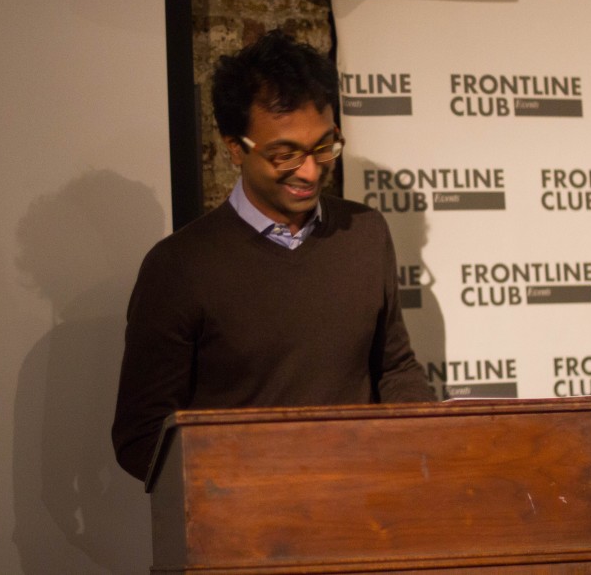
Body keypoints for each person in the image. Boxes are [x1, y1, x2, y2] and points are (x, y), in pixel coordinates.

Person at [112, 30, 433, 481]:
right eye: (285, 154)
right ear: (234, 148)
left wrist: (426, 442)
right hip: (245, 515)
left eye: (324, 146)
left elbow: (394, 367)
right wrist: (252, 484)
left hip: (364, 501)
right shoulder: (178, 268)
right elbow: (143, 436)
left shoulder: (365, 232)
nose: (310, 171)